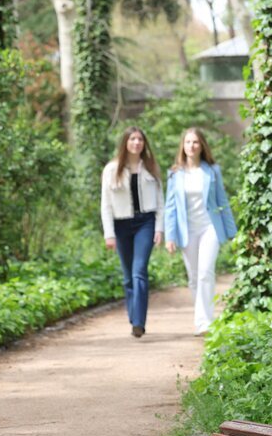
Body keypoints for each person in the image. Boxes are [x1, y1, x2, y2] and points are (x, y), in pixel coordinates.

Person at [164, 127, 237, 336]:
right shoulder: (175, 174)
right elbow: (170, 207)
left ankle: (204, 323)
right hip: (187, 231)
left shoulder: (212, 170)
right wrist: (170, 236)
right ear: (183, 146)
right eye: (188, 142)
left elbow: (222, 201)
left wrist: (232, 232)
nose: (191, 146)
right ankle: (202, 317)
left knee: (206, 272)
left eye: (195, 142)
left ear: (201, 145)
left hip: (209, 228)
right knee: (194, 277)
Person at [101, 126, 164, 338]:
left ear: (144, 144)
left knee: (139, 271)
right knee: (128, 277)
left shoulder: (151, 168)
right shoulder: (111, 169)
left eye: (140, 140)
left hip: (145, 222)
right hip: (121, 224)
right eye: (132, 139)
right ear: (125, 143)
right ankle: (134, 315)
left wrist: (159, 228)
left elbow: (160, 202)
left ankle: (139, 322)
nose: (136, 143)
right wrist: (109, 233)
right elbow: (106, 205)